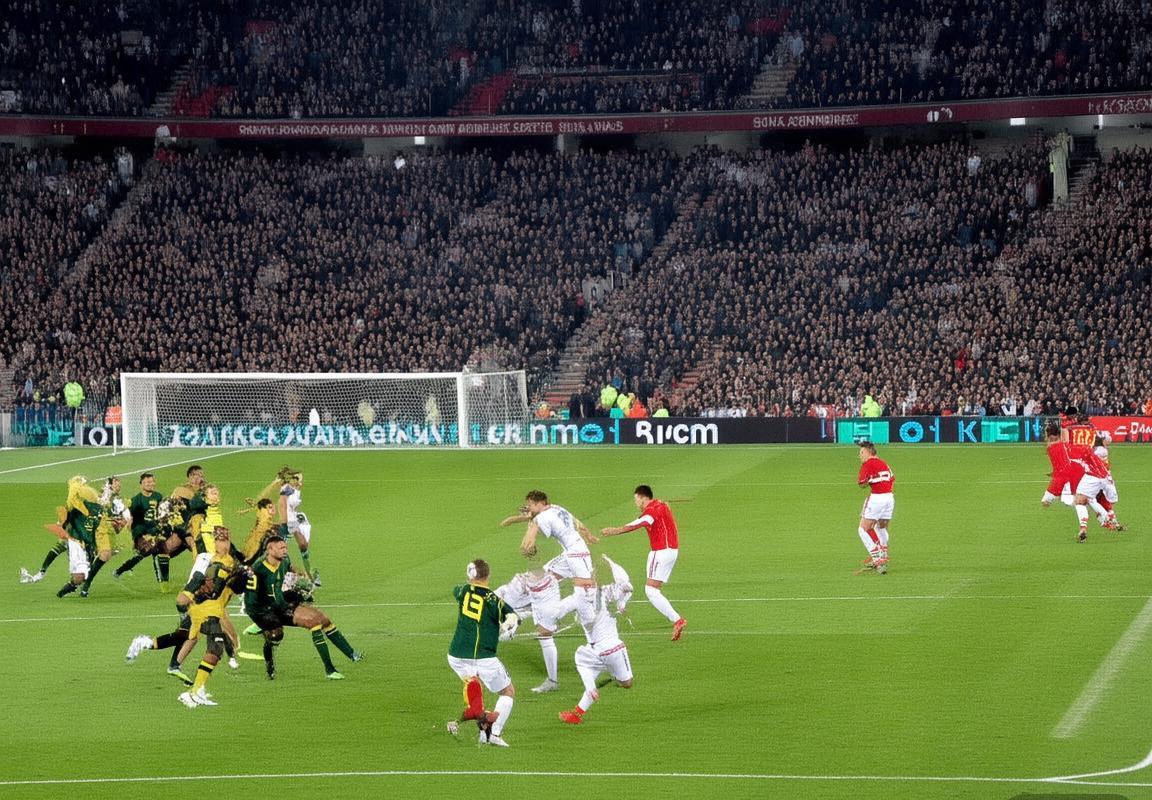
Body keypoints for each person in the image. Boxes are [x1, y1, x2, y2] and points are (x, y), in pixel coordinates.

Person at [244, 535, 359, 680]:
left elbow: (290, 566)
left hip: (279, 601)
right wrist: (275, 612)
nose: (285, 550)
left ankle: (352, 654)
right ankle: (329, 670)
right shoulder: (259, 569)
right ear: (270, 550)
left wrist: (302, 574)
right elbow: (255, 599)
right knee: (296, 628)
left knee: (324, 619)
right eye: (281, 548)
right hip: (262, 610)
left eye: (285, 547)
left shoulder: (284, 559)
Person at [600, 484, 686, 639]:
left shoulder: (651, 512)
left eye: (636, 499)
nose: (636, 503)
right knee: (654, 588)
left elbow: (637, 524)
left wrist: (614, 530)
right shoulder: (661, 505)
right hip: (673, 551)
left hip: (660, 552)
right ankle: (677, 620)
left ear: (642, 497)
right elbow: (663, 508)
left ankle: (678, 620)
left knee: (651, 591)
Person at [446, 559, 517, 747]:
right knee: (507, 691)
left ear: (470, 575)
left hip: (457, 656)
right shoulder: (493, 600)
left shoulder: (461, 591)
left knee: (475, 691)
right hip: (483, 657)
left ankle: (482, 727)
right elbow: (512, 617)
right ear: (488, 574)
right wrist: (506, 627)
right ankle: (494, 733)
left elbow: (456, 590)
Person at [503, 491, 600, 626]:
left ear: (539, 503)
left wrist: (530, 524)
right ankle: (525, 609)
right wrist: (589, 536)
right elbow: (579, 524)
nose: (528, 507)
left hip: (577, 555)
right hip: (574, 552)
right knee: (545, 579)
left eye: (530, 504)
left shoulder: (542, 518)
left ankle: (545, 613)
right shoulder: (557, 508)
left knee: (585, 592)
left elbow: (528, 545)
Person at [558, 555, 634, 725]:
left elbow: (556, 612)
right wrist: (613, 563)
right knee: (627, 683)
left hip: (597, 650)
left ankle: (590, 689)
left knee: (581, 658)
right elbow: (626, 585)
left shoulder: (576, 599)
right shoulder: (606, 592)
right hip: (614, 648)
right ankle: (578, 711)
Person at [494, 567, 569, 694]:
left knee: (545, 637)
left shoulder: (509, 595)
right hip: (540, 594)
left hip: (543, 597)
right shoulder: (506, 594)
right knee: (545, 635)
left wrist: (511, 628)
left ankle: (552, 681)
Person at [1042, 423, 1088, 541]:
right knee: (1079, 502)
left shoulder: (1050, 448)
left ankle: (1081, 501)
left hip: (1061, 478)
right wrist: (1064, 426)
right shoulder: (1065, 445)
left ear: (1049, 435)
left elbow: (1055, 440)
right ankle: (1083, 526)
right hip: (1074, 475)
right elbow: (1064, 435)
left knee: (1046, 502)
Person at [855, 442, 893, 573]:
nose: (859, 455)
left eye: (861, 452)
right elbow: (891, 478)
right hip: (889, 497)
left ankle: (877, 559)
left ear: (868, 452)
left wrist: (868, 481)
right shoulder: (884, 463)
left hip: (877, 498)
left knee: (863, 529)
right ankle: (884, 554)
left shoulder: (867, 464)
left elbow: (861, 483)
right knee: (881, 527)